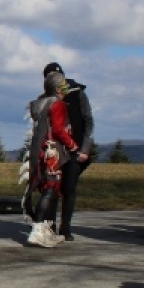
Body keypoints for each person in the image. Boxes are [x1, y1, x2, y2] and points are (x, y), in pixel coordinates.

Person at [24, 71, 87, 248]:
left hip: (39, 149)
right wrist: (72, 145)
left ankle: (45, 230)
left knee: (48, 190)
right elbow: (58, 129)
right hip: (51, 151)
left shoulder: (39, 103)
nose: (66, 88)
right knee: (50, 190)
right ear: (58, 88)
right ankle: (38, 230)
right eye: (64, 85)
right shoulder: (57, 104)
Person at [42, 62, 94, 240]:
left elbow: (88, 121)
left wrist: (84, 148)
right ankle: (50, 226)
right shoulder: (46, 98)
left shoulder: (78, 94)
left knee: (69, 189)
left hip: (75, 150)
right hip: (54, 151)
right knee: (52, 189)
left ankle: (66, 227)